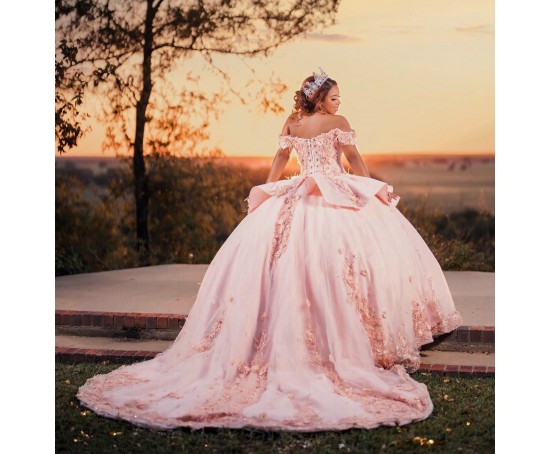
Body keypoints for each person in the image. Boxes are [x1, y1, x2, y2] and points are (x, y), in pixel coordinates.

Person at [77, 68, 463, 432]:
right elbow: (356, 162)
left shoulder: (292, 123)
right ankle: (365, 342)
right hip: (330, 192)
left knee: (285, 264)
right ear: (318, 98)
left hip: (294, 193)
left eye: (339, 98)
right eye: (333, 97)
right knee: (350, 262)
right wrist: (367, 193)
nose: (338, 103)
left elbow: (280, 160)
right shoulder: (339, 126)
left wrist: (265, 194)